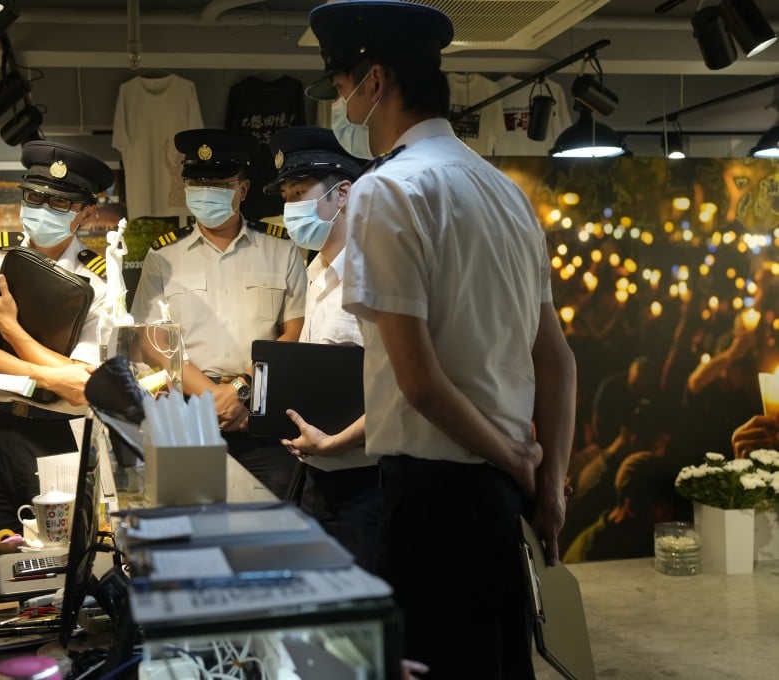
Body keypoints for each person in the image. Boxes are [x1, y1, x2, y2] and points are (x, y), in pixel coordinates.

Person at [307, 2, 577, 677]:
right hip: (497, 500)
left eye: (341, 90)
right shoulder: (505, 192)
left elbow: (421, 383)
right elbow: (559, 360)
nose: (340, 108)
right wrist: (551, 484)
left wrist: (521, 465)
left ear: (374, 81)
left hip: (434, 501)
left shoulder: (388, 190)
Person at [130, 128, 308, 500]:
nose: (206, 191)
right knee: (193, 537)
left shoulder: (282, 250)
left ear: (243, 189)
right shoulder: (163, 256)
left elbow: (296, 332)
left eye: (220, 183)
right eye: (197, 182)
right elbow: (152, 341)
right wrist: (212, 396)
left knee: (271, 536)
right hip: (189, 418)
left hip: (262, 419)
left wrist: (241, 390)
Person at [0, 140, 114, 536]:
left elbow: (81, 380)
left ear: (87, 213)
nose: (42, 209)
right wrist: (51, 376)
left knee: (61, 551)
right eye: (35, 197)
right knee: (1, 546)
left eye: (60, 204)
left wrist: (9, 328)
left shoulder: (100, 279)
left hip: (60, 431)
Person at [262, 125, 381, 570]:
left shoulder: (371, 273)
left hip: (367, 481)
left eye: (300, 193)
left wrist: (337, 441)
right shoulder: (316, 272)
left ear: (343, 193)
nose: (290, 207)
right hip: (316, 474)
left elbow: (400, 385)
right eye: (286, 195)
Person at [563, 451, 676, 563]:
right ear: (632, 506)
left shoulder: (621, 536)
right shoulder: (593, 553)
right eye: (665, 513)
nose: (669, 522)